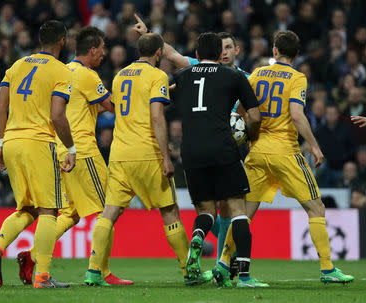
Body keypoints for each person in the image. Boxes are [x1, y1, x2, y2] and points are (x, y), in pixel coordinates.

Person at [216, 30, 354, 285]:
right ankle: (327, 269)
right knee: (316, 207)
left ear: (275, 51)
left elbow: (240, 110)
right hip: (285, 152)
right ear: (297, 54)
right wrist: (314, 146)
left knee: (243, 213)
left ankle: (223, 264)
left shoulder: (256, 73)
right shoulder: (298, 78)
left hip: (256, 152)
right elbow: (298, 115)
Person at [84, 33, 211, 286]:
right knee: (170, 211)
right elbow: (156, 117)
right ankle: (190, 272)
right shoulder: (157, 75)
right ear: (157, 54)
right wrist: (166, 157)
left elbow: (124, 105)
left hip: (120, 154)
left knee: (109, 213)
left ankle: (93, 270)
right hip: (147, 154)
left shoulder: (121, 75)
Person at [16, 26, 132, 286]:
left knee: (70, 213)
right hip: (82, 150)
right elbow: (111, 106)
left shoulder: (61, 70)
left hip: (57, 148)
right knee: (108, 208)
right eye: (102, 50)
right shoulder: (88, 76)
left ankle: (33, 256)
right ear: (92, 50)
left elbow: (74, 108)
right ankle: (100, 272)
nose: (104, 54)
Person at [132, 14, 248, 270]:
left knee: (217, 210)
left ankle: (221, 258)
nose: (226, 51)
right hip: (221, 148)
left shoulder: (244, 77)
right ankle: (225, 263)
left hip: (214, 147)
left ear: (236, 50)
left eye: (229, 47)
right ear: (217, 52)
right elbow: (171, 54)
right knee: (227, 208)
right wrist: (148, 34)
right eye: (222, 47)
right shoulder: (202, 67)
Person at [0, 20, 76, 289]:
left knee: (26, 208)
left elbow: (0, 108)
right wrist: (70, 148)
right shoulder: (61, 71)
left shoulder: (16, 66)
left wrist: (0, 144)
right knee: (50, 210)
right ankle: (43, 276)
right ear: (62, 41)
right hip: (39, 143)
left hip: (12, 141)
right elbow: (57, 116)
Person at [172, 32, 265, 288]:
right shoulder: (233, 76)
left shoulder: (181, 77)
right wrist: (247, 136)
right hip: (223, 148)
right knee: (237, 212)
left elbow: (164, 101)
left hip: (190, 151)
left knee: (206, 211)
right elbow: (255, 116)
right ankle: (244, 276)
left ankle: (198, 238)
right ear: (219, 54)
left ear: (198, 54)